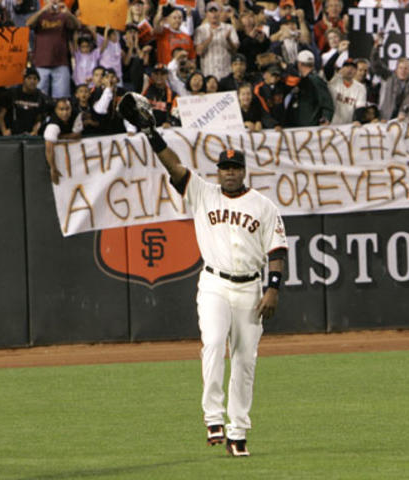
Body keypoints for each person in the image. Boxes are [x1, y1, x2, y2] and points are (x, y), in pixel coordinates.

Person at [117, 91, 288, 457]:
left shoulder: (263, 206)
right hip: (213, 283)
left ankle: (238, 432)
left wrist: (273, 289)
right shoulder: (202, 193)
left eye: (234, 168)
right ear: (218, 172)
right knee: (212, 344)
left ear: (243, 171)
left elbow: (277, 250)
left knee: (244, 361)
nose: (229, 173)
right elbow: (174, 167)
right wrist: (151, 134)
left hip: (249, 289)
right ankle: (213, 416)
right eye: (224, 168)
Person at [26, 0, 81, 98]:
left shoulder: (63, 16)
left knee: (62, 98)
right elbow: (28, 24)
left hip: (61, 63)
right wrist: (43, 10)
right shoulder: (40, 16)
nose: (53, 2)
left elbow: (77, 26)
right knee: (39, 97)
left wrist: (69, 13)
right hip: (40, 63)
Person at [285, 50, 334, 127]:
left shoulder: (315, 80)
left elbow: (327, 103)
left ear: (299, 64)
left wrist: (326, 118)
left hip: (309, 126)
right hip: (299, 126)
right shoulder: (301, 80)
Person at [0, 67, 49, 136]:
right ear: (23, 80)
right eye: (29, 78)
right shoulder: (11, 94)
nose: (32, 81)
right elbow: (1, 116)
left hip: (29, 134)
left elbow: (39, 119)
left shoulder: (41, 97)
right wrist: (4, 131)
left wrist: (35, 130)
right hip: (11, 134)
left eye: (35, 79)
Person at [195, 1, 239, 80]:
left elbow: (235, 50)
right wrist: (209, 39)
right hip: (208, 74)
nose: (214, 14)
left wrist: (228, 40)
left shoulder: (229, 28)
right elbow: (199, 52)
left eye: (216, 11)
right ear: (206, 14)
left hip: (226, 74)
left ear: (220, 12)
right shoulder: (200, 30)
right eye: (211, 12)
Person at [44, 97, 83, 184]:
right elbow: (49, 149)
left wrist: (60, 137)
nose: (65, 113)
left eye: (67, 109)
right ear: (56, 110)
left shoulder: (76, 114)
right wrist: (53, 169)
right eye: (61, 109)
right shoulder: (52, 126)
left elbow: (77, 135)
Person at [328, 58, 366, 125]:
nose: (350, 70)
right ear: (342, 69)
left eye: (353, 68)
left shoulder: (360, 88)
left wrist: (357, 120)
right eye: (347, 67)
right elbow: (327, 68)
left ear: (356, 71)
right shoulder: (333, 80)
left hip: (346, 127)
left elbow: (360, 108)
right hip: (330, 124)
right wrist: (338, 52)